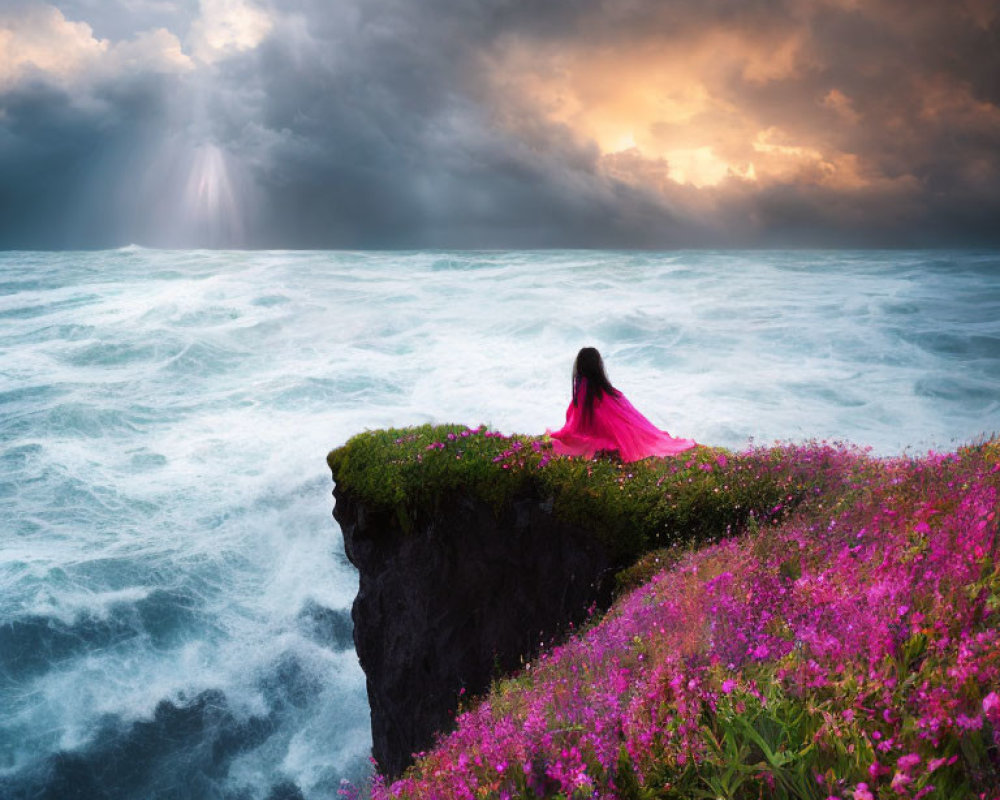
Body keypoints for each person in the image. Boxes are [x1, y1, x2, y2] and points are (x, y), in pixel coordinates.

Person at [547, 347, 697, 462]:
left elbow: (574, 420)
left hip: (599, 433)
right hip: (617, 431)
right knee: (651, 439)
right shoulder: (609, 393)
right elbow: (628, 415)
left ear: (580, 366)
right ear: (598, 366)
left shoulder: (581, 389)